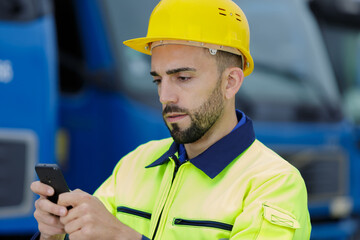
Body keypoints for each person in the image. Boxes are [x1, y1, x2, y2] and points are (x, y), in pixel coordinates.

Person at [30, 0, 311, 239]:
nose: (165, 96)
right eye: (158, 79)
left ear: (230, 82)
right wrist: (54, 235)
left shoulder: (274, 185)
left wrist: (122, 235)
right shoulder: (135, 163)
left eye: (183, 78)